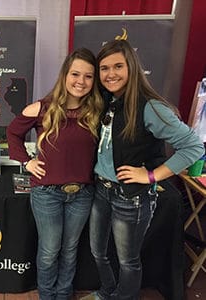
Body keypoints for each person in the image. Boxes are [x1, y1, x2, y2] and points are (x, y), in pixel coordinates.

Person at [81, 39, 205, 300]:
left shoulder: (150, 106)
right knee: (98, 252)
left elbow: (193, 147)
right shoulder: (106, 101)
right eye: (104, 68)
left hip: (132, 197)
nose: (110, 74)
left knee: (128, 261)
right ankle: (106, 292)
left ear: (132, 68)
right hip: (102, 191)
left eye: (118, 66)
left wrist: (151, 175)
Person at [6, 48, 103, 300]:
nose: (81, 81)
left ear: (94, 81)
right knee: (50, 250)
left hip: (82, 194)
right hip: (46, 194)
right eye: (75, 74)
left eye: (88, 76)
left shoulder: (97, 111)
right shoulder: (42, 108)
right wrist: (26, 162)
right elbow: (12, 133)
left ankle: (63, 294)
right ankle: (47, 296)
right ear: (65, 75)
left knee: (70, 250)